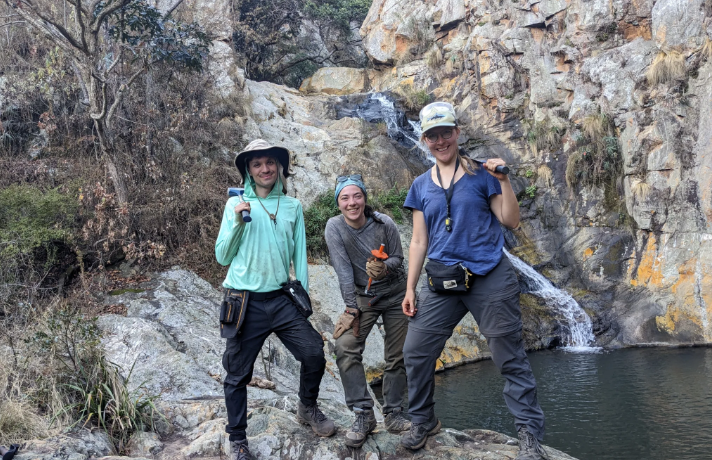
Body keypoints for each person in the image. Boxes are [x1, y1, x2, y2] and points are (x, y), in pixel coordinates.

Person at [399, 102, 548, 460]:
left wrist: (504, 180)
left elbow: (510, 221)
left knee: (509, 356)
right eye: (432, 135)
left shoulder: (483, 174)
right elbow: (419, 240)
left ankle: (529, 435)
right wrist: (409, 288)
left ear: (456, 133)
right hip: (442, 280)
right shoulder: (420, 186)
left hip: (489, 276)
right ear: (424, 140)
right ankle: (423, 420)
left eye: (445, 133)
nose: (440, 141)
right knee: (415, 352)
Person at [215, 139, 336, 460]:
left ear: (279, 167)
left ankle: (307, 408)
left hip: (282, 299)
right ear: (248, 171)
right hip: (243, 301)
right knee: (237, 373)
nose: (265, 169)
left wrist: (304, 304)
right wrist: (239, 221)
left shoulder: (293, 206)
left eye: (270, 163)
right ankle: (238, 438)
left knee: (313, 352)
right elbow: (222, 255)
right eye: (257, 164)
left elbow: (300, 255)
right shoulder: (235, 205)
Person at [325, 174, 411, 448]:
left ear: (364, 197)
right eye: (345, 198)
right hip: (364, 297)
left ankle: (394, 414)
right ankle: (363, 413)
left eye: (357, 196)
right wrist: (350, 308)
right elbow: (343, 271)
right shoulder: (335, 227)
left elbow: (399, 257)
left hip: (397, 293)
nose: (352, 203)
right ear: (338, 202)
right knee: (345, 346)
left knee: (397, 355)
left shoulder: (383, 222)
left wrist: (385, 267)